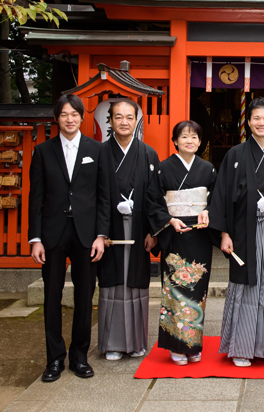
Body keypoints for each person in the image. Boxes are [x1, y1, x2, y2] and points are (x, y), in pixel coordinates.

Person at [208, 97, 264, 367]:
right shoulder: (235, 155)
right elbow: (222, 195)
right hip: (244, 230)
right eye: (256, 118)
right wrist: (224, 232)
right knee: (246, 287)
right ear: (248, 122)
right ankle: (242, 348)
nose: (261, 123)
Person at [28, 94, 109, 382]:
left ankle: (79, 356)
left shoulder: (96, 150)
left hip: (86, 233)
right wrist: (35, 238)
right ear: (56, 118)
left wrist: (101, 235)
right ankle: (54, 359)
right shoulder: (43, 151)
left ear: (81, 116)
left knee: (85, 296)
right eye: (64, 114)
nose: (70, 119)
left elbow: (103, 196)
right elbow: (35, 197)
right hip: (52, 232)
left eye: (74, 114)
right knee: (52, 296)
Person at [96, 100, 175, 361]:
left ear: (137, 121)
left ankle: (136, 342)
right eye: (118, 117)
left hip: (140, 226)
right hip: (110, 228)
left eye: (129, 117)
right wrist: (100, 232)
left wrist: (154, 232)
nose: (124, 122)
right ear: (110, 121)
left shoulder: (148, 154)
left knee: (136, 286)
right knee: (113, 285)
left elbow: (154, 196)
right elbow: (94, 195)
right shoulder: (100, 153)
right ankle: (113, 343)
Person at [156, 120, 217, 365]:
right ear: (175, 141)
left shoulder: (208, 169)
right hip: (174, 235)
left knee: (197, 290)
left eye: (194, 137)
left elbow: (218, 199)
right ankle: (175, 345)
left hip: (200, 234)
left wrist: (209, 211)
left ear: (200, 142)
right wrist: (169, 220)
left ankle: (192, 344)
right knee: (175, 290)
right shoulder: (162, 168)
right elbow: (154, 201)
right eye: (184, 137)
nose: (189, 141)